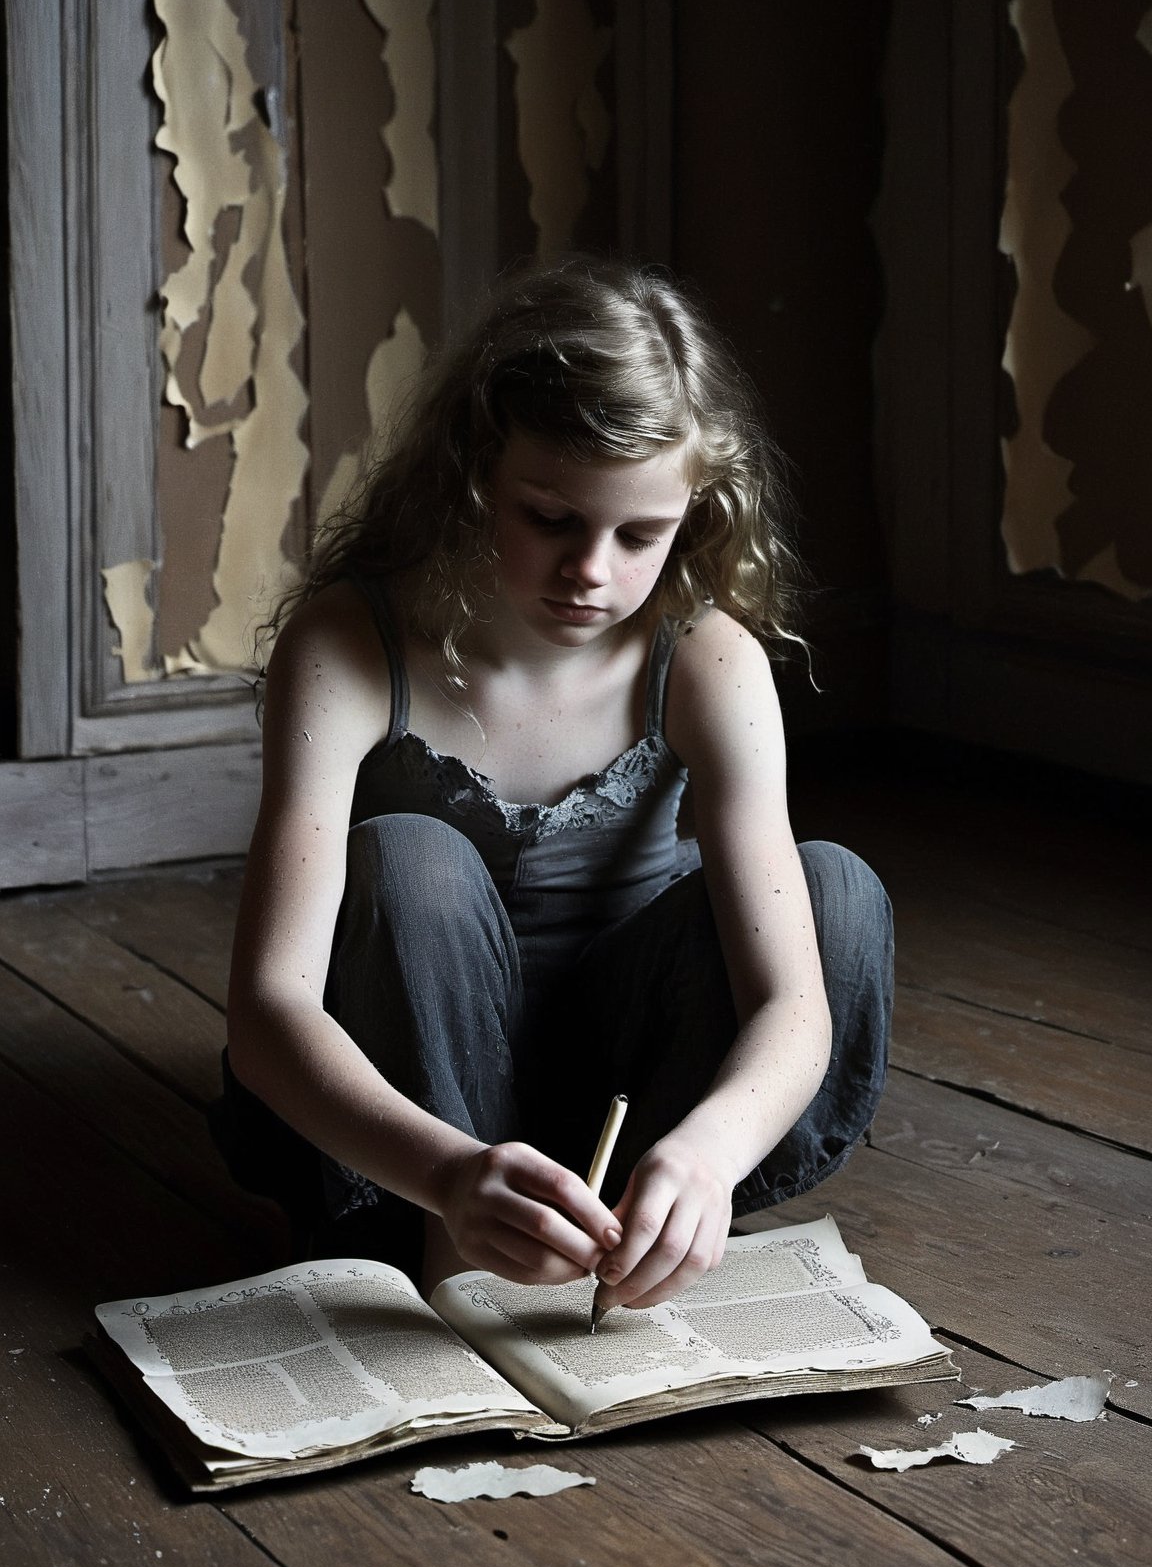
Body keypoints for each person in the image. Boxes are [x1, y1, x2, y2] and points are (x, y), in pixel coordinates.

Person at [217, 260, 891, 1316]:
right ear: (475, 469)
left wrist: (708, 1154)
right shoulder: (352, 646)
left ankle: (643, 1233)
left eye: (640, 535)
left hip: (626, 1099)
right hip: (409, 1113)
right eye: (551, 518)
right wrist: (444, 1172)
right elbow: (267, 1013)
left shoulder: (705, 659)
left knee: (834, 888)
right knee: (410, 859)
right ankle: (455, 1243)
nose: (593, 570)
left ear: (695, 513)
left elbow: (793, 1007)